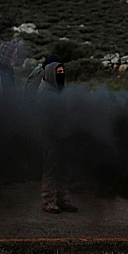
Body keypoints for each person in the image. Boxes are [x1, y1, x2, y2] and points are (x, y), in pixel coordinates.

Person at [37, 61, 77, 214]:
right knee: (50, 169)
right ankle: (48, 201)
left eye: (62, 71)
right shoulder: (45, 92)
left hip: (62, 135)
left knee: (63, 168)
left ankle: (62, 199)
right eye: (58, 72)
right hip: (50, 136)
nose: (61, 74)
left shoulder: (58, 90)